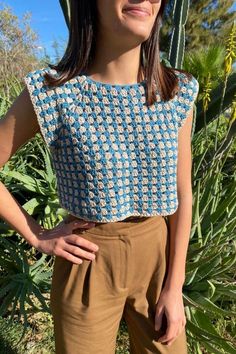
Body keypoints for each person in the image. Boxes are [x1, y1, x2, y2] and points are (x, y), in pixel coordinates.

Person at [0, 0, 199, 353]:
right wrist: (37, 235)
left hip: (157, 260)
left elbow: (183, 194)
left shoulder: (175, 92)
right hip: (87, 262)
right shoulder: (54, 93)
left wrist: (174, 285)